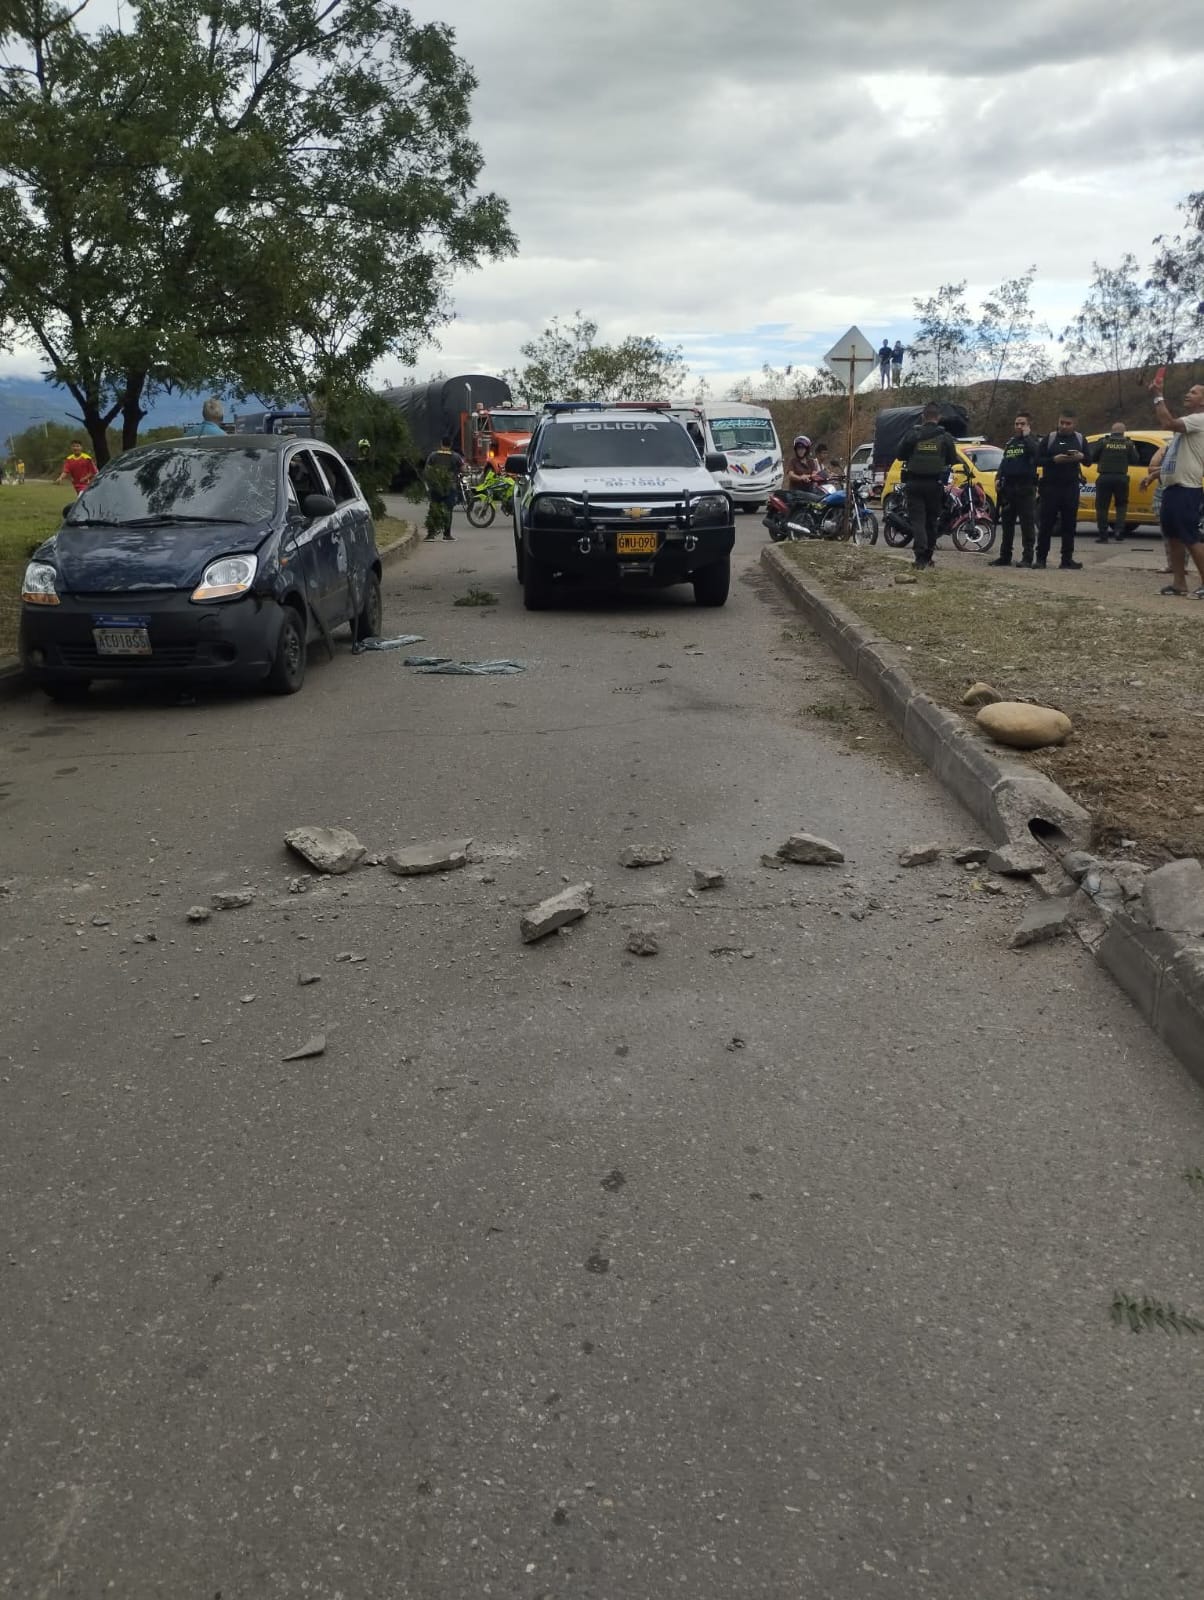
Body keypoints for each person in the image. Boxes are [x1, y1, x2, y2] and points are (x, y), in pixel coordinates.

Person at [1147, 378, 1204, 597]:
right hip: (1172, 488)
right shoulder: (1187, 427)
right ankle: (1179, 583)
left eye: (1194, 392)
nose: (1188, 394)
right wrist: (1156, 474)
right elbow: (1176, 459)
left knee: (1190, 537)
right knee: (1173, 537)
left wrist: (1158, 396)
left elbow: (1167, 423)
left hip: (1186, 489)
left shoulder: (1199, 419)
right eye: (1188, 391)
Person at [895, 402, 959, 569]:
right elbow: (953, 459)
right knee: (931, 521)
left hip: (914, 483)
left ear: (923, 417)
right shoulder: (945, 437)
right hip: (935, 484)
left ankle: (920, 557)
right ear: (939, 418)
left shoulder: (912, 435)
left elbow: (900, 455)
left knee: (918, 521)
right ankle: (928, 556)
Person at [1035, 410, 1087, 569]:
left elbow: (1089, 460)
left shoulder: (1080, 439)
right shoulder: (1050, 438)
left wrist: (1080, 457)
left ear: (1074, 424)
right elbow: (1036, 460)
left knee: (1069, 525)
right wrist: (1053, 460)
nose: (1064, 426)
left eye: (1067, 423)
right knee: (1046, 525)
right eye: (1061, 423)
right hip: (1050, 488)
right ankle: (1041, 559)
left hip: (1070, 488)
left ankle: (1067, 560)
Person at [989, 410, 1040, 567]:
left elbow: (1037, 455)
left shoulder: (1033, 441)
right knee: (1007, 524)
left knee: (1027, 524)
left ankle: (1027, 557)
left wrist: (1027, 436)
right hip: (1009, 488)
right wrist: (998, 478)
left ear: (1029, 425)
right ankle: (1005, 556)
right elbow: (1004, 462)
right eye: (1017, 424)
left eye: (1022, 424)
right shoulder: (1011, 443)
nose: (1019, 426)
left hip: (1025, 487)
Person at [1090, 421, 1139, 542]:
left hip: (1104, 477)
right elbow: (1135, 460)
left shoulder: (1103, 442)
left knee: (1102, 507)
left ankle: (1103, 534)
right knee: (1121, 505)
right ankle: (1119, 531)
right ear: (1123, 432)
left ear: (1112, 431)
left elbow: (1093, 457)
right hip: (1121, 478)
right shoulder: (1128, 444)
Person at [424, 434, 465, 540]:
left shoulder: (433, 455)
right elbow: (463, 469)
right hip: (450, 486)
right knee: (448, 510)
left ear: (441, 443)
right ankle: (447, 535)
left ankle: (430, 534)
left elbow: (427, 470)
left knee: (434, 509)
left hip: (436, 486)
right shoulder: (456, 456)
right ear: (450, 444)